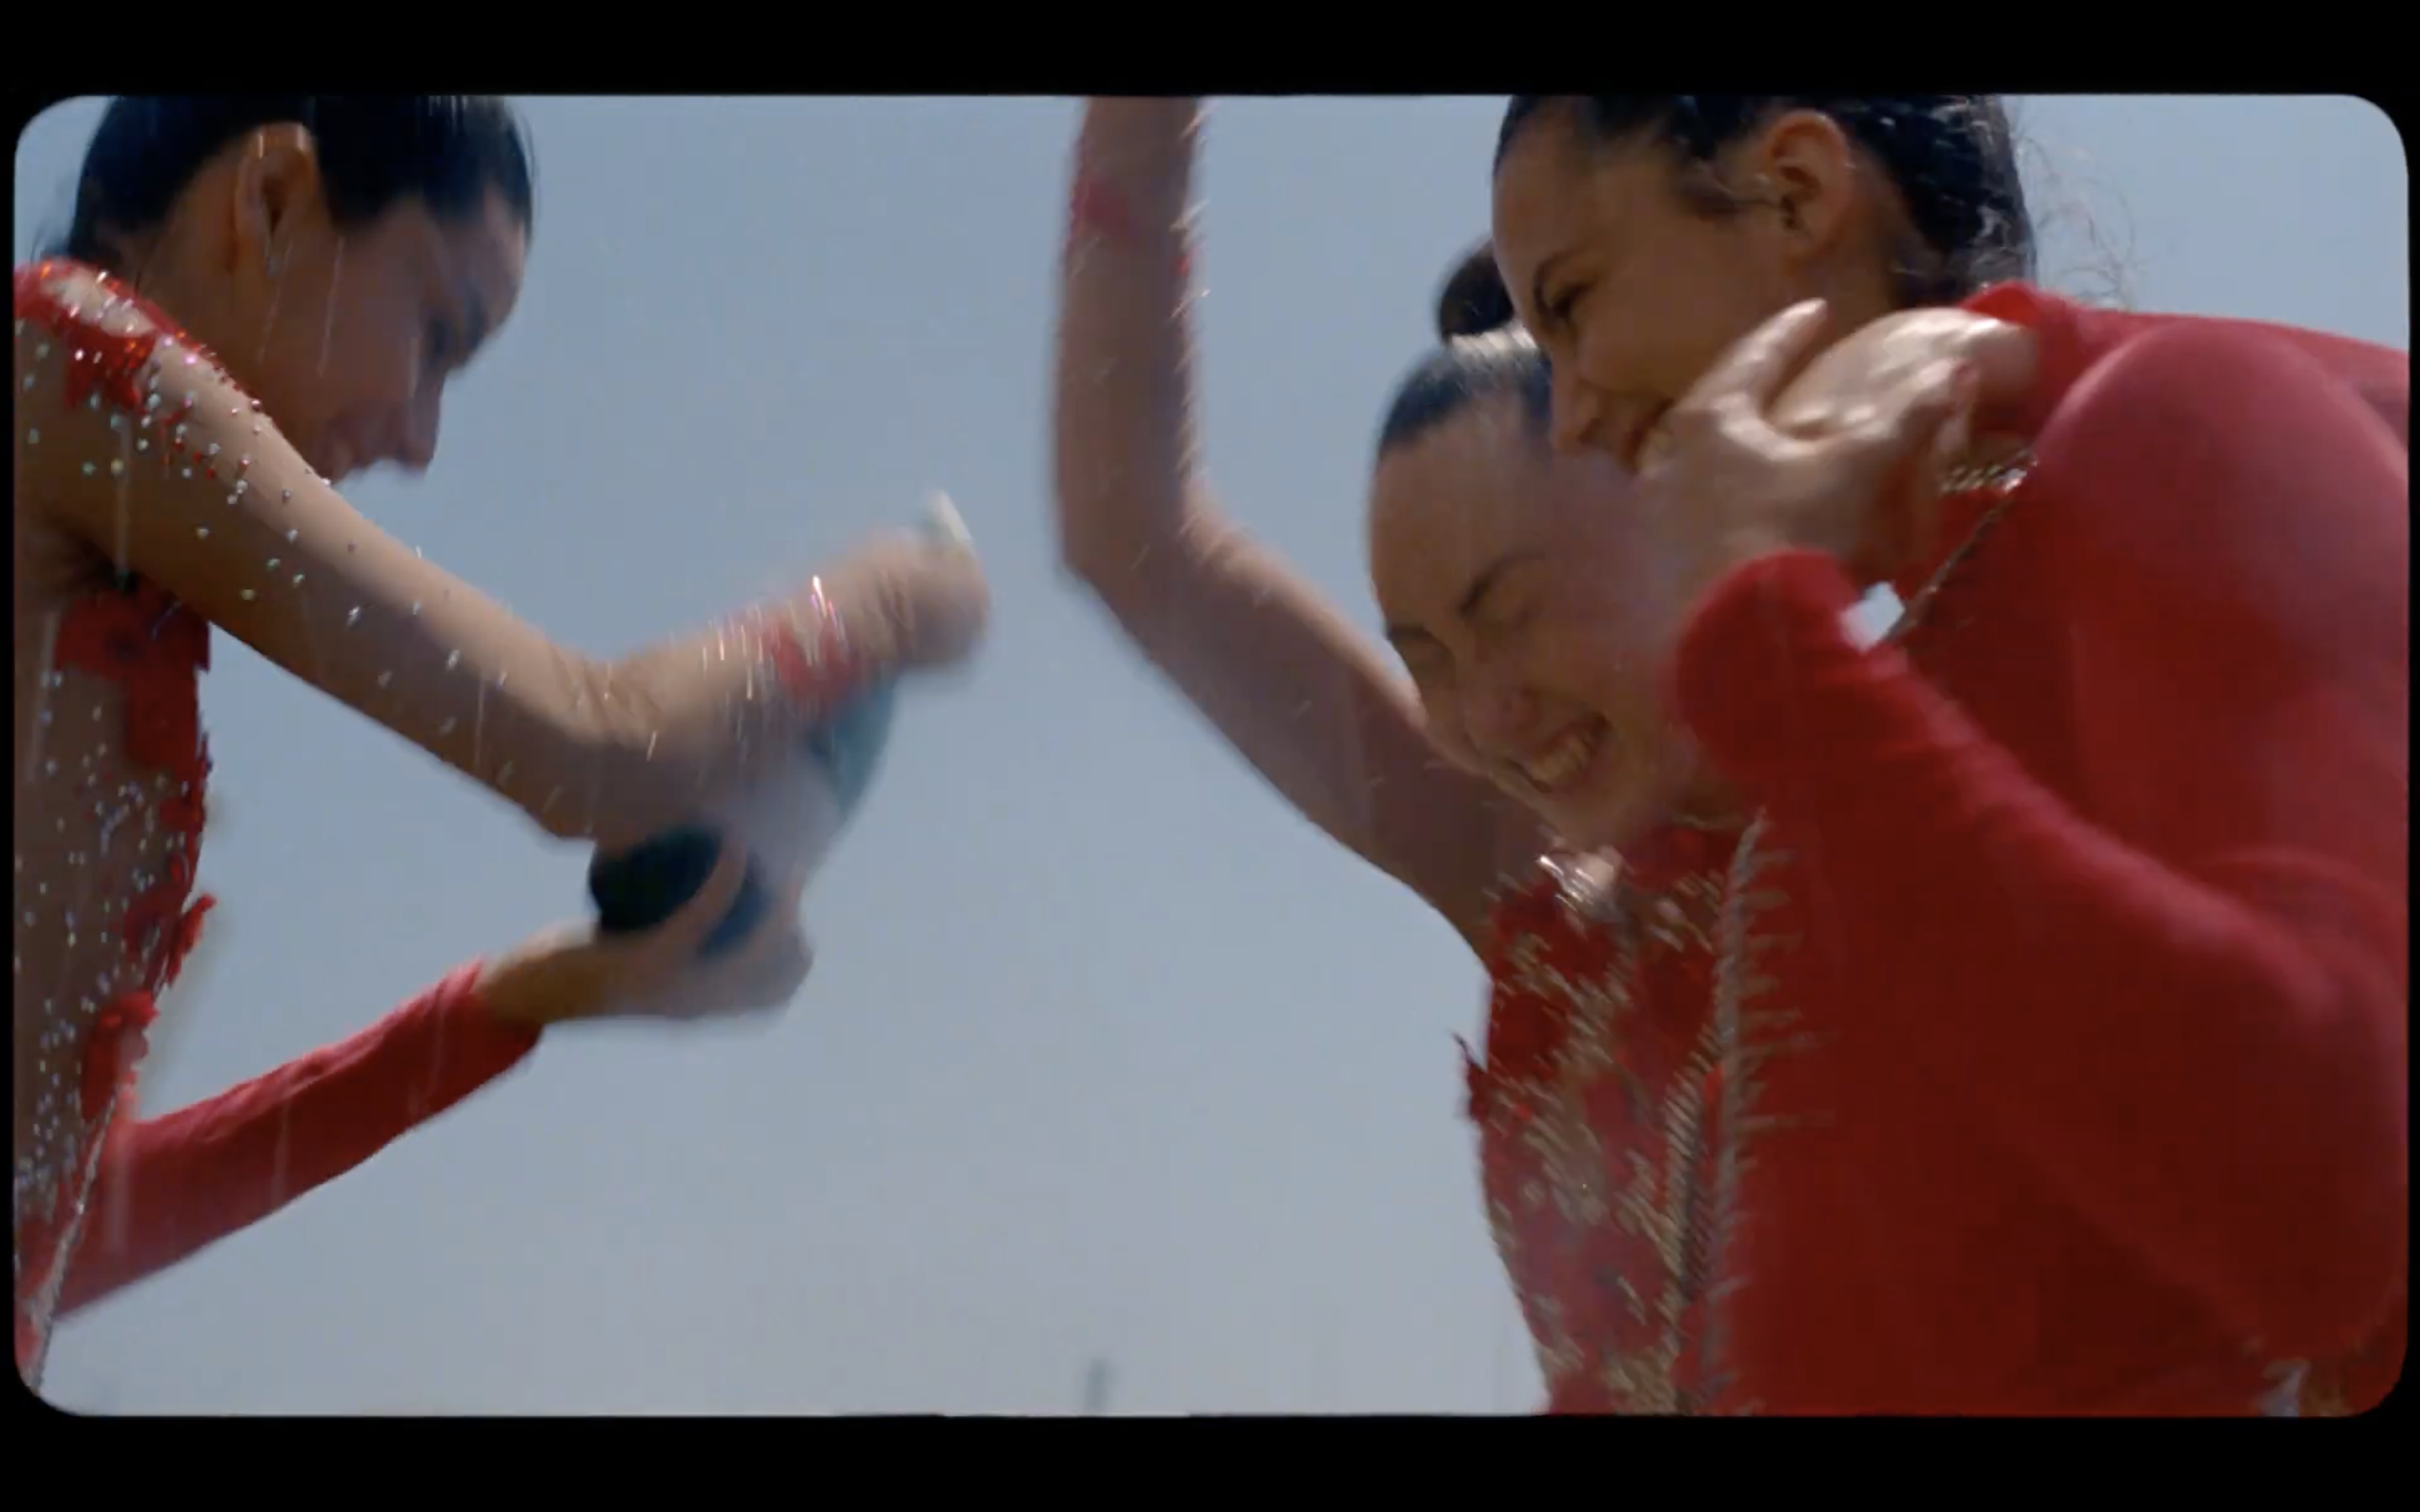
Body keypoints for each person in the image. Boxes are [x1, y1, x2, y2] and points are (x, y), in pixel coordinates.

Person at [13, 96, 990, 1387]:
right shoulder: (56, 356)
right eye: (437, 334)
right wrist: (884, 606)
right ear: (271, 201)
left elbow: (76, 1234)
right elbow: (593, 749)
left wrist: (516, 1002)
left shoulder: (101, 572)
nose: (420, 438)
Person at [1479, 93, 2407, 1413]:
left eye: (1573, 304)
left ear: (1796, 191)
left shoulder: (2178, 427)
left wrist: (1774, 650)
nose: (1568, 416)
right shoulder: (1881, 686)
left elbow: (2323, 1217)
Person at [1054, 97, 1768, 1412]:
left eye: (1516, 612)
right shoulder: (1533, 885)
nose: (1488, 716)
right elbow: (1133, 536)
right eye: (1427, 656)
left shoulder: (1946, 790)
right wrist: (1143, 130)